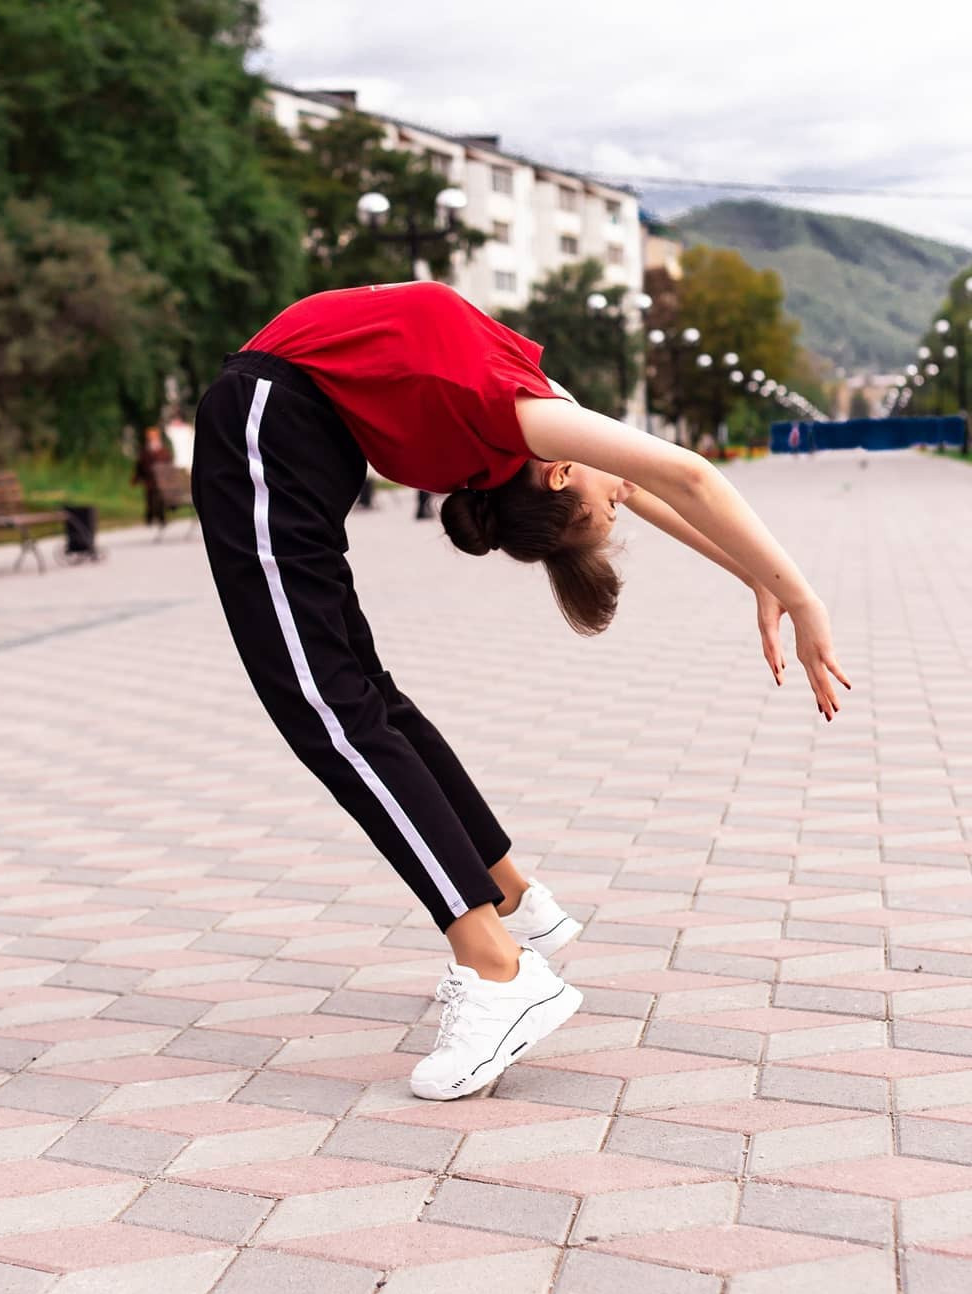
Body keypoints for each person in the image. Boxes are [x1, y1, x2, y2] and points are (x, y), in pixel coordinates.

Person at [191, 281, 850, 1102]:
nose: (621, 500)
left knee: (334, 702)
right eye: (610, 506)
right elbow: (680, 476)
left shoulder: (534, 431)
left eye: (607, 508)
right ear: (562, 473)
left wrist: (765, 578)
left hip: (279, 421)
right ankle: (508, 900)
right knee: (347, 699)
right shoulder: (532, 421)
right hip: (280, 414)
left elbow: (658, 484)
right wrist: (797, 594)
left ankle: (498, 965)